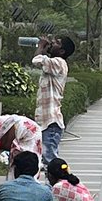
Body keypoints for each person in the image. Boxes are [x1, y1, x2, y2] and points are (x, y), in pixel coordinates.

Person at [32, 35, 75, 168]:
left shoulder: (59, 63)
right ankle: (52, 187)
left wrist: (41, 46)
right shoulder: (53, 64)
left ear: (62, 51)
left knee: (50, 162)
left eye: (57, 43)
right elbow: (43, 60)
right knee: (45, 161)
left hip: (51, 122)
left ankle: (57, 187)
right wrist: (45, 49)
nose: (52, 43)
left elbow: (37, 60)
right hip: (46, 122)